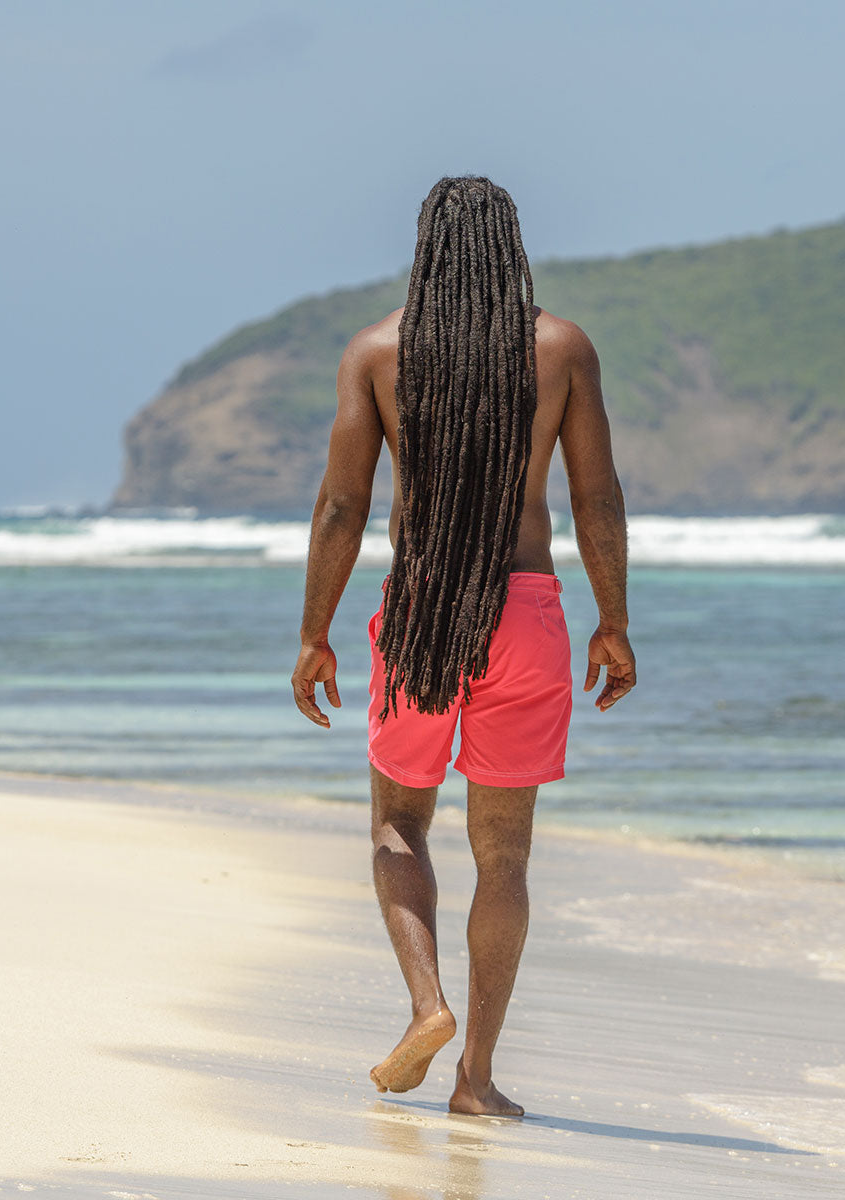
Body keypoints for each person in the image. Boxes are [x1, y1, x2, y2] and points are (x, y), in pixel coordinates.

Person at [291, 176, 636, 1117]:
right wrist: (615, 620)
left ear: (426, 251)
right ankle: (475, 1080)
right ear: (512, 249)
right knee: (506, 855)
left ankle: (425, 1005)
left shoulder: (376, 352)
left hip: (421, 618)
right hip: (525, 613)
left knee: (400, 823)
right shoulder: (562, 349)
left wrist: (317, 631)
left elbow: (342, 505)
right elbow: (597, 496)